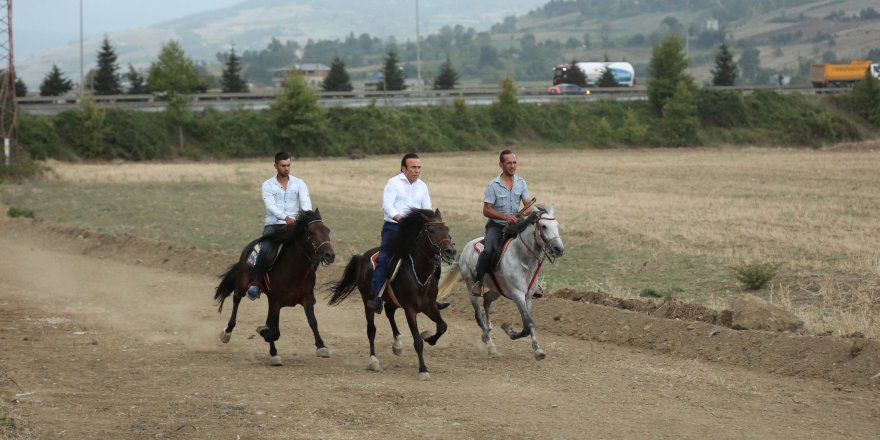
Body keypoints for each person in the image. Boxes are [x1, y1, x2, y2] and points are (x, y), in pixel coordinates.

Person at [368, 153, 433, 313]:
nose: (417, 170)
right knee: (384, 258)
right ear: (404, 168)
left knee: (434, 256)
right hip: (394, 227)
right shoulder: (393, 183)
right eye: (413, 167)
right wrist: (402, 221)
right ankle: (376, 297)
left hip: (417, 229)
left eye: (419, 167)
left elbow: (428, 209)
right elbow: (388, 207)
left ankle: (432, 297)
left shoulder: (422, 186)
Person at [246, 151, 312, 300]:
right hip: (274, 225)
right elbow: (270, 206)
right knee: (264, 250)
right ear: (275, 165)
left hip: (294, 226)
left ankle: (307, 281)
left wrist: (306, 216)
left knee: (310, 247)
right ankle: (256, 284)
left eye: (288, 165)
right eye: (283, 165)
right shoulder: (267, 185)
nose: (286, 168)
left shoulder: (299, 183)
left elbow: (306, 202)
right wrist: (285, 217)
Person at [470, 149, 537, 297]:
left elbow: (528, 206)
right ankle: (478, 281)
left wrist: (521, 213)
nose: (512, 166)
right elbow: (486, 210)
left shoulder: (521, 183)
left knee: (533, 247)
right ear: (501, 165)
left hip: (516, 224)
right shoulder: (493, 185)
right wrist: (505, 217)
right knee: (488, 251)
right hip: (496, 226)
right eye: (509, 163)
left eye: (514, 163)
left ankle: (532, 284)